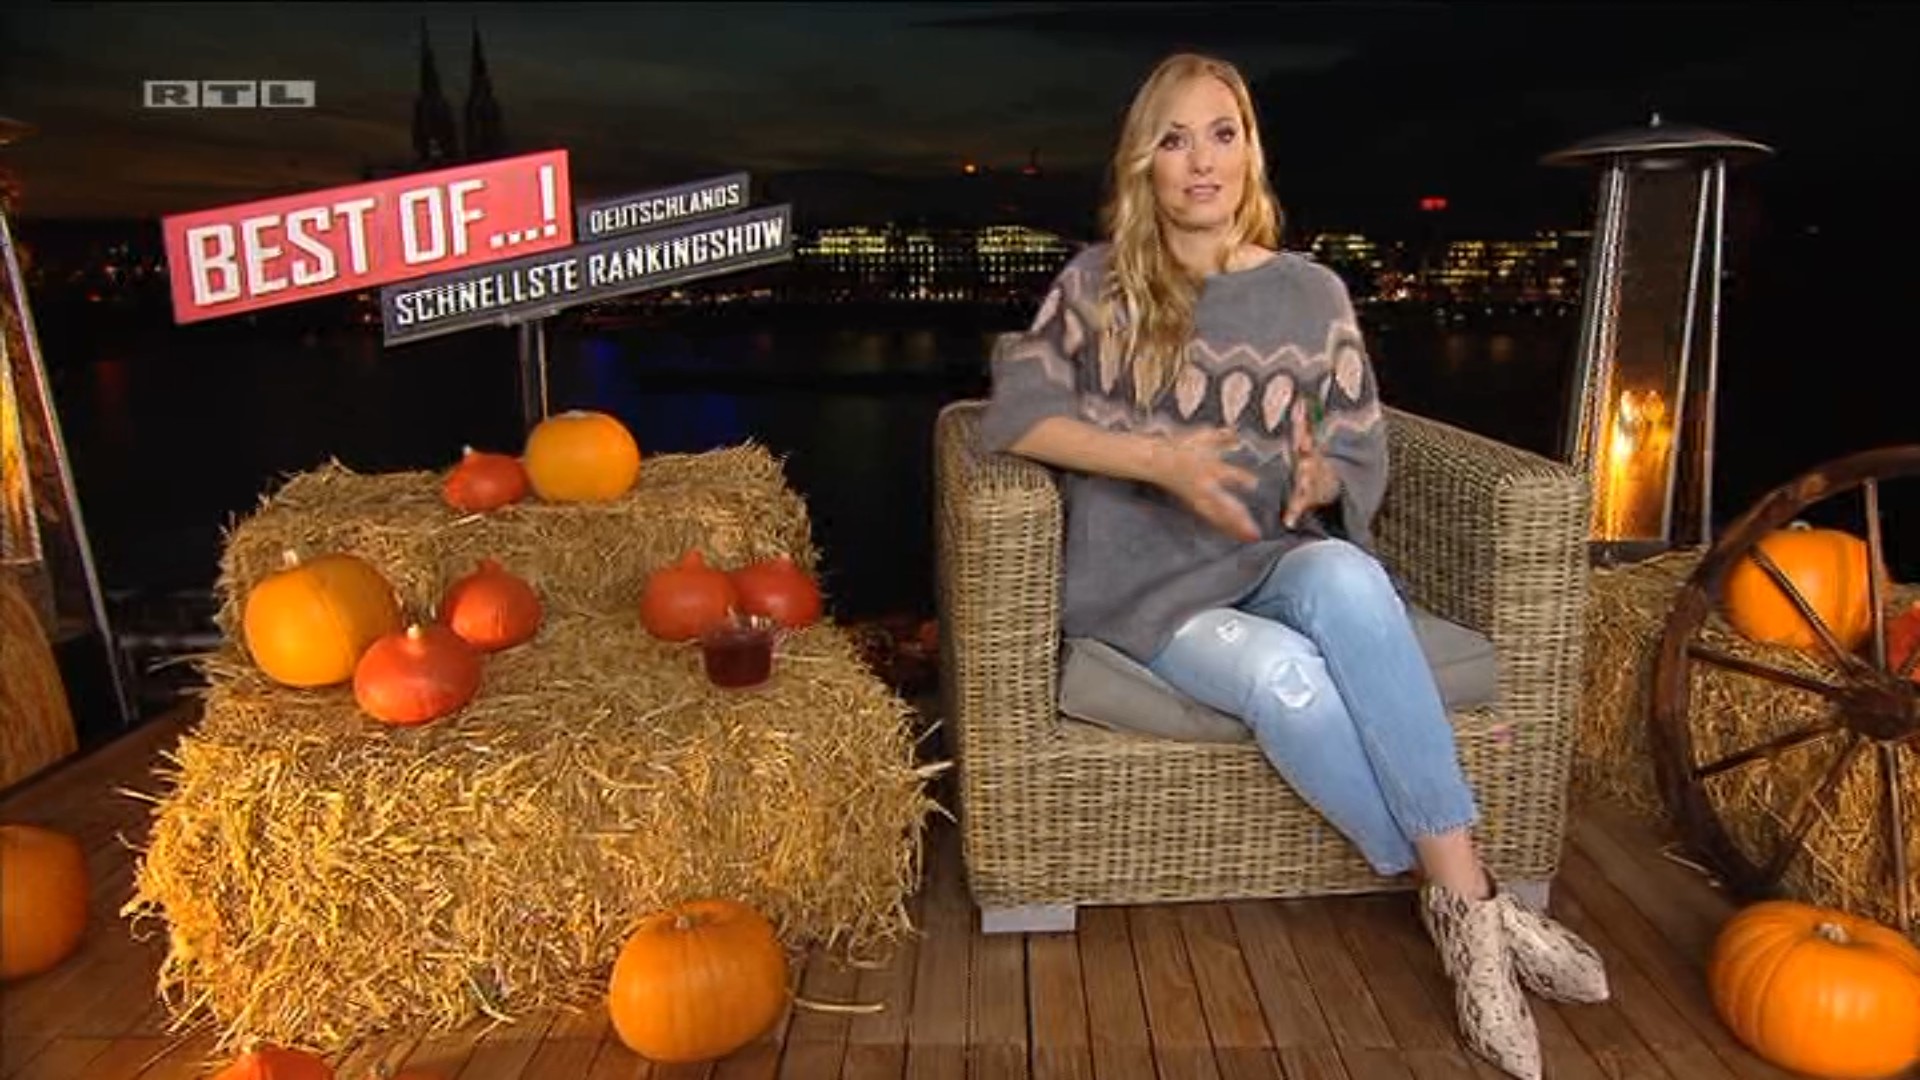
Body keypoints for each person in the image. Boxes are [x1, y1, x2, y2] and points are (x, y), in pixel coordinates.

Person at [977, 52, 1608, 1080]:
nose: (1201, 161)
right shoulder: (1098, 285)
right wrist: (1160, 461)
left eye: (1222, 134)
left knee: (1352, 580)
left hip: (1272, 550)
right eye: (1174, 139)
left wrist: (1321, 476)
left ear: (1250, 152)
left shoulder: (1311, 293)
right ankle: (1478, 910)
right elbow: (1015, 417)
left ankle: (1468, 911)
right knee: (1286, 675)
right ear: (1144, 163)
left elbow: (1359, 444)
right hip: (1146, 588)